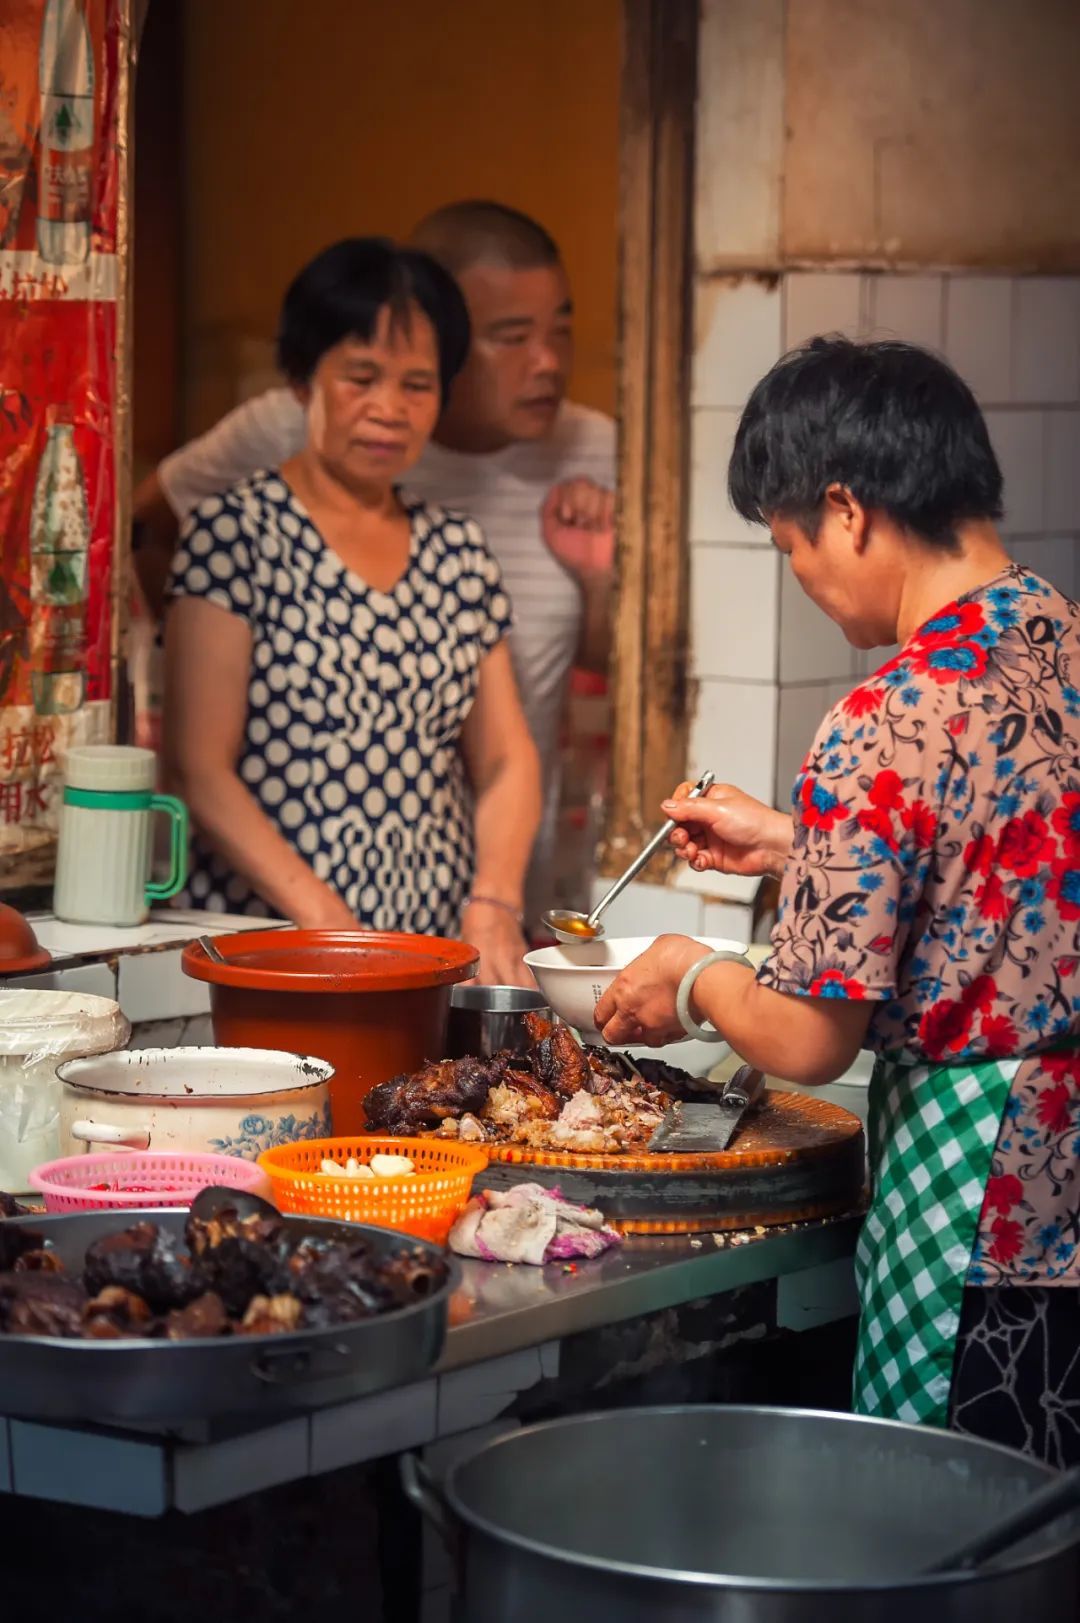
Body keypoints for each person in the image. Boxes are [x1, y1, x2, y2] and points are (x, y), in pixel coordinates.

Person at [594, 337, 1080, 1467]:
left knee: (947, 1523)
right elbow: (1005, 861)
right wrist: (799, 844)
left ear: (847, 510)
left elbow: (810, 1039)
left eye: (790, 543)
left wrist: (694, 972)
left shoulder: (883, 719)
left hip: (986, 1203)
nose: (804, 577)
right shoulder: (1053, 633)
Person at [135, 200, 616, 930]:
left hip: (435, 947)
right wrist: (334, 928)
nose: (389, 408)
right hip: (280, 940)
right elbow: (200, 770)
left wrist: (492, 902)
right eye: (361, 377)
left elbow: (507, 759)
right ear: (303, 381)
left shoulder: (456, 552)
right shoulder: (234, 534)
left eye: (416, 385)